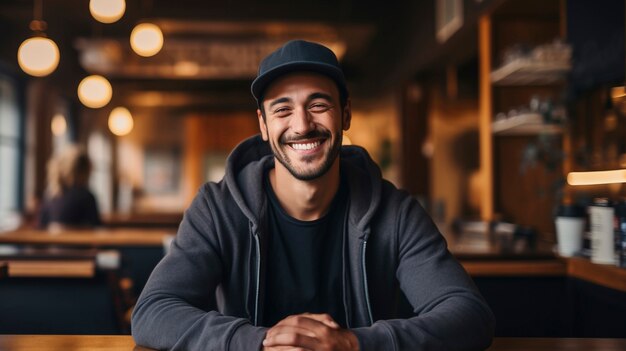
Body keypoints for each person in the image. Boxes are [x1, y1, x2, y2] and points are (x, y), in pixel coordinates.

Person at [132, 40, 494, 351]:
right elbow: (153, 311)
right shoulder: (217, 208)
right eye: (283, 109)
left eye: (318, 104)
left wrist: (356, 343)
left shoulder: (394, 212)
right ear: (263, 125)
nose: (302, 124)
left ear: (345, 113)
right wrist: (259, 341)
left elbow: (469, 315)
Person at [38, 145, 101, 229]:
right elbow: (96, 227)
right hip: (78, 242)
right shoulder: (87, 197)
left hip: (52, 242)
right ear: (83, 171)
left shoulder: (50, 195)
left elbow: (41, 226)